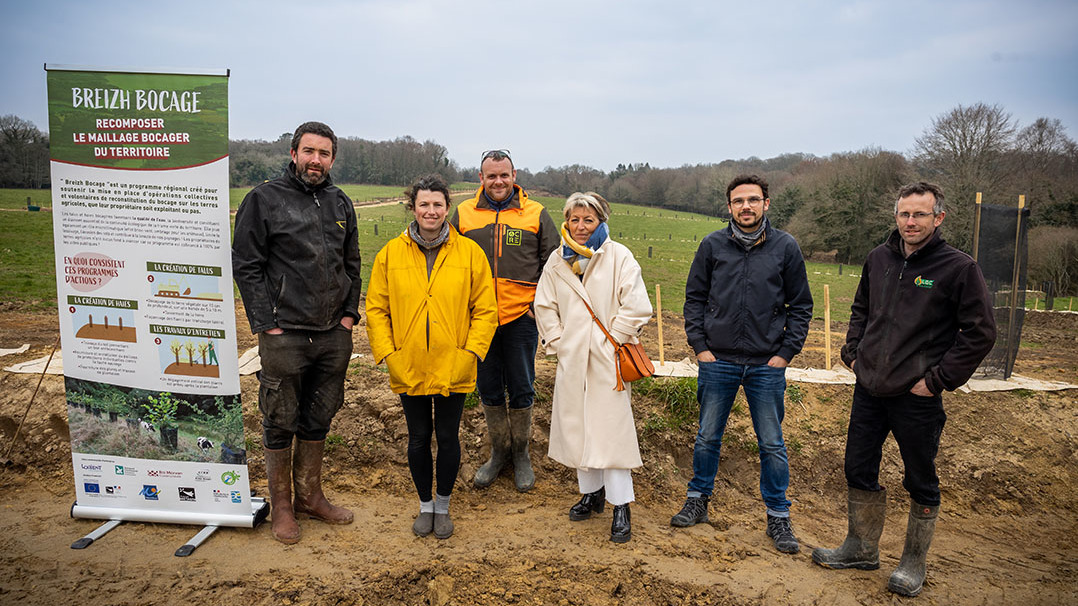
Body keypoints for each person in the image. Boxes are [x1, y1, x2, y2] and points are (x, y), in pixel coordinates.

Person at [812, 182, 996, 597]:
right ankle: (860, 547)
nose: (910, 222)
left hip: (917, 396)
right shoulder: (879, 258)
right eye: (904, 214)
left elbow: (981, 332)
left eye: (920, 215)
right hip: (869, 387)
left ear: (939, 218)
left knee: (920, 477)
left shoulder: (958, 268)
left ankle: (913, 561)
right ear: (896, 216)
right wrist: (853, 355)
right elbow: (861, 308)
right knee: (857, 467)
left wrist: (936, 381)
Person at [232, 121, 360, 544]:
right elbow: (247, 265)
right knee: (279, 416)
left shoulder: (340, 203)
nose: (316, 160)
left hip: (332, 334)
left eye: (324, 154)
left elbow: (352, 263)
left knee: (320, 413)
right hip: (284, 333)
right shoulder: (264, 199)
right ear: (293, 153)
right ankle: (282, 506)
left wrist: (347, 316)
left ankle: (310, 495)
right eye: (309, 151)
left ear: (332, 159)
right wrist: (265, 322)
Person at [672, 174, 813, 554]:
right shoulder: (712, 245)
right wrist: (701, 347)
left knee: (771, 443)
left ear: (766, 203)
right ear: (729, 206)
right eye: (738, 201)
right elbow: (694, 299)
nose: (745, 207)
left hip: (766, 365)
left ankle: (778, 516)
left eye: (753, 200)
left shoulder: (785, 247)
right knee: (706, 437)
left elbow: (801, 306)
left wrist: (784, 355)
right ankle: (698, 500)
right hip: (717, 361)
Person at [365, 174, 498, 539]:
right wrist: (388, 353)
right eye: (424, 203)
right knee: (419, 437)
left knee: (449, 436)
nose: (431, 210)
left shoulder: (470, 253)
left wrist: (471, 352)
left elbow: (485, 309)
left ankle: (443, 503)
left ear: (447, 208)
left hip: (453, 363)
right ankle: (424, 505)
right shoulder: (390, 253)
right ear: (412, 207)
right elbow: (376, 308)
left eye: (438, 204)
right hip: (408, 364)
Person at [534, 192, 652, 543]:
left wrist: (613, 340)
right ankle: (591, 493)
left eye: (589, 220)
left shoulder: (619, 256)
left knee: (612, 434)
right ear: (566, 221)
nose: (581, 227)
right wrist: (558, 343)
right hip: (573, 360)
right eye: (574, 219)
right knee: (579, 428)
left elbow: (636, 305)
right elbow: (545, 305)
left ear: (601, 220)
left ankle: (621, 505)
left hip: (607, 360)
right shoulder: (557, 261)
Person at [450, 150, 559, 492]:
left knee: (523, 385)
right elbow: (449, 260)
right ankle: (498, 453)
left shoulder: (536, 214)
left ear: (514, 175)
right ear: (480, 178)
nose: (498, 182)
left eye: (504, 175)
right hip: (478, 319)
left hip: (520, 317)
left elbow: (554, 264)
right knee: (488, 386)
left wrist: (537, 305)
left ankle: (522, 454)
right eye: (491, 176)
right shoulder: (464, 214)